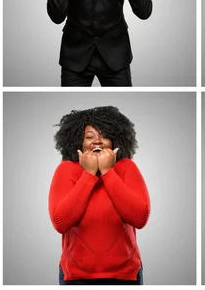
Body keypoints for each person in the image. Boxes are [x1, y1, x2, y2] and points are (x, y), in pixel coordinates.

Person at [49, 106, 150, 284]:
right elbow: (60, 222)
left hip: (125, 274)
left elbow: (139, 218)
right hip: (76, 276)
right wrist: (88, 175)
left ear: (116, 141)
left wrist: (107, 172)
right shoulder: (66, 169)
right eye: (89, 137)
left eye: (104, 136)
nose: (97, 142)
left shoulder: (127, 167)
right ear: (78, 142)